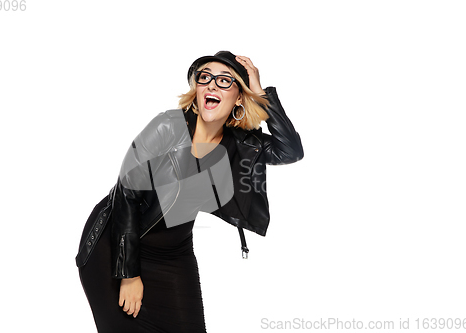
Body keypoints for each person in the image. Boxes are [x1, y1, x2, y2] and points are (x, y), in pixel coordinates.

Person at [75, 51, 304, 332]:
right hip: (116, 247)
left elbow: (290, 151)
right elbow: (127, 195)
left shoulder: (243, 145)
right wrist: (128, 274)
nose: (211, 85)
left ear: (239, 98)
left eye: (224, 81)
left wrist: (261, 92)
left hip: (174, 252)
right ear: (196, 89)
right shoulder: (167, 127)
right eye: (205, 77)